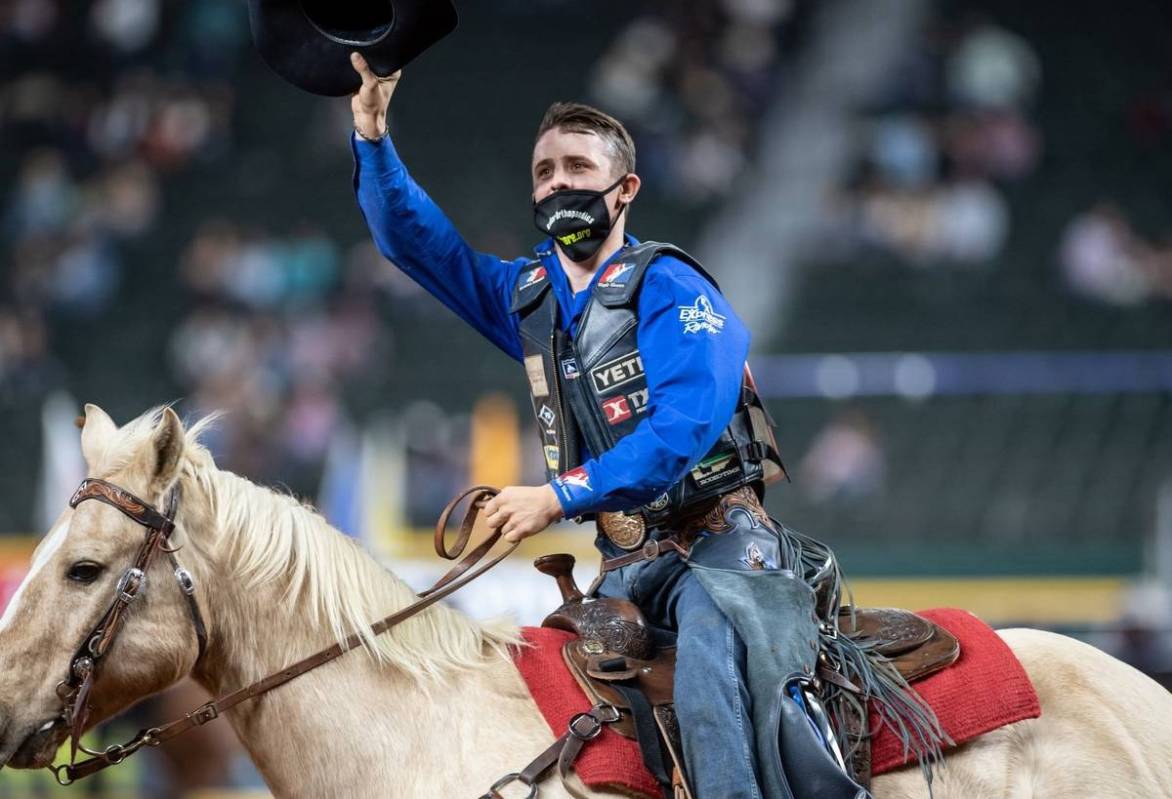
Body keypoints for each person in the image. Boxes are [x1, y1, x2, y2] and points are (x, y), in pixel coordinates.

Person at [347, 53, 872, 799]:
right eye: (543, 171)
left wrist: (553, 497)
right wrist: (371, 139)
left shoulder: (674, 288)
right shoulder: (530, 295)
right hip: (623, 566)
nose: (556, 181)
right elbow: (418, 246)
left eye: (575, 166)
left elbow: (681, 431)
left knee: (708, 688)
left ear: (625, 189)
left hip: (721, 554)